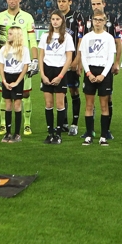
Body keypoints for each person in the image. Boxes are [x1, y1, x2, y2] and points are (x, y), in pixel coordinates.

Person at [0, 0, 37, 136]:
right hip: (7, 63)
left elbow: (32, 40)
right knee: (5, 94)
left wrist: (34, 59)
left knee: (25, 94)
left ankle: (26, 124)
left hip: (22, 62)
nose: (12, 1)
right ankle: (4, 124)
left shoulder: (27, 17)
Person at [87, 0, 122, 140]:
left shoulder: (113, 20)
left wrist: (116, 62)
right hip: (92, 64)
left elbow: (118, 43)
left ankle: (106, 130)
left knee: (107, 98)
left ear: (104, 4)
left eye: (98, 4)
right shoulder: (89, 21)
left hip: (106, 65)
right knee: (90, 100)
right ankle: (90, 131)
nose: (95, 7)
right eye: (93, 4)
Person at [80, 10, 116, 146]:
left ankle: (103, 136)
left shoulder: (109, 38)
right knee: (89, 105)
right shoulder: (87, 37)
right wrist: (88, 73)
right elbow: (83, 56)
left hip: (103, 73)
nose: (98, 22)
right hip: (90, 71)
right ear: (92, 21)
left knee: (104, 105)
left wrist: (103, 75)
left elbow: (110, 58)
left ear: (105, 22)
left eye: (101, 20)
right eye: (96, 19)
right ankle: (89, 134)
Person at [39, 10, 75, 145]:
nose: (55, 21)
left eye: (57, 19)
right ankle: (50, 133)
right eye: (53, 19)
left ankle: (58, 134)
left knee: (60, 104)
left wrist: (61, 76)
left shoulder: (67, 37)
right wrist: (42, 74)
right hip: (47, 71)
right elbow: (41, 56)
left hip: (60, 71)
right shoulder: (44, 36)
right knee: (48, 104)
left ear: (62, 21)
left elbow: (69, 58)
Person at [57, 0, 86, 136]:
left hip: (72, 60)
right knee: (61, 92)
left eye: (63, 1)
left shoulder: (77, 17)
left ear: (70, 2)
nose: (61, 4)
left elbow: (81, 40)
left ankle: (74, 124)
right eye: (59, 1)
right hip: (57, 62)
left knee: (73, 90)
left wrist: (77, 60)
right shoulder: (56, 17)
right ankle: (64, 122)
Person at [0, 27, 30, 143]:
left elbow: (25, 67)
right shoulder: (4, 49)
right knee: (8, 105)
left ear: (16, 35)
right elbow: (1, 65)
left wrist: (17, 82)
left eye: (10, 34)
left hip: (17, 78)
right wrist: (4, 80)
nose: (8, 36)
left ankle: (17, 133)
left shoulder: (24, 50)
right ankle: (8, 133)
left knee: (17, 105)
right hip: (7, 77)